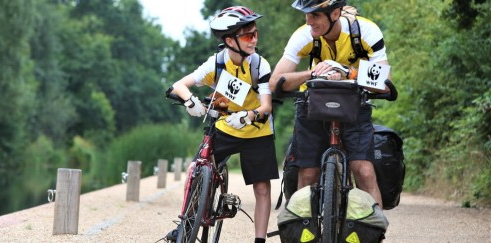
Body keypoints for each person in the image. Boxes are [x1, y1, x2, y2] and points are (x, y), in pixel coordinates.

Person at [168, 6, 279, 243]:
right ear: (230, 40)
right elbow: (179, 84)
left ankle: (260, 239)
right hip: (225, 126)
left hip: (256, 130)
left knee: (262, 188)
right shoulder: (217, 63)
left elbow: (266, 107)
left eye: (255, 34)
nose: (255, 40)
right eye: (249, 36)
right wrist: (190, 101)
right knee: (197, 168)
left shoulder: (260, 65)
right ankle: (186, 227)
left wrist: (247, 115)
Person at [269, 0, 394, 208]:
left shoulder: (366, 31)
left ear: (335, 14)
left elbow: (386, 84)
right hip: (313, 103)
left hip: (354, 103)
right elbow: (275, 82)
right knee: (307, 172)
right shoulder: (304, 34)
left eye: (315, 15)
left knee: (363, 169)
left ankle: (376, 233)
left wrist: (348, 72)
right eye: (306, 15)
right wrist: (315, 73)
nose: (309, 21)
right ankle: (302, 232)